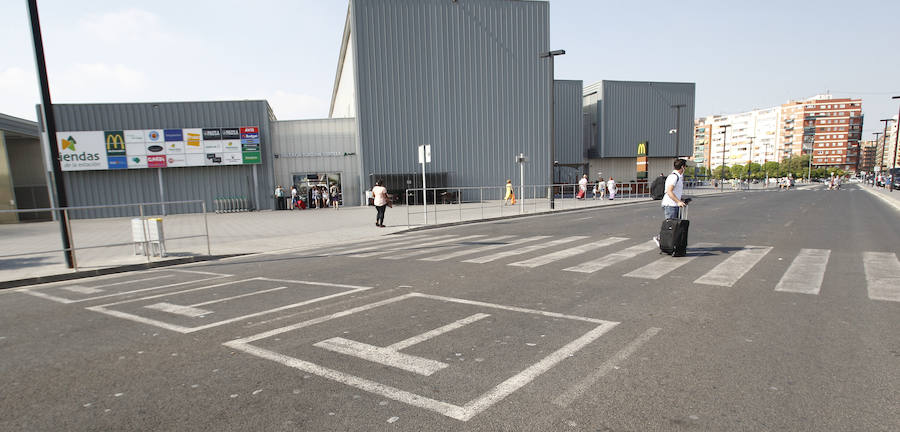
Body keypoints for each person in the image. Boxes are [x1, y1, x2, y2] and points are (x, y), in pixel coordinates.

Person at [653, 159, 689, 245]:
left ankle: (671, 244)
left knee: (675, 226)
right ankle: (660, 238)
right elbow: (669, 191)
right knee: (670, 226)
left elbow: (675, 192)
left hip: (674, 204)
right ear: (682, 167)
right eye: (685, 167)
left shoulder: (678, 177)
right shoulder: (674, 177)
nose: (685, 169)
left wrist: (681, 200)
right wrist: (678, 202)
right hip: (670, 205)